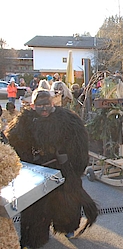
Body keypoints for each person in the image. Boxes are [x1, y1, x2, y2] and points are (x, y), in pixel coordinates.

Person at [5, 90, 98, 248]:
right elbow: (14, 142)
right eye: (40, 105)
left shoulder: (67, 119)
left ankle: (67, 227)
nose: (44, 109)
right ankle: (34, 237)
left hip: (62, 168)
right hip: (36, 171)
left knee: (66, 202)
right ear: (33, 105)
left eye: (47, 104)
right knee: (35, 207)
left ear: (53, 103)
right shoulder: (25, 121)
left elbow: (79, 144)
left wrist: (73, 165)